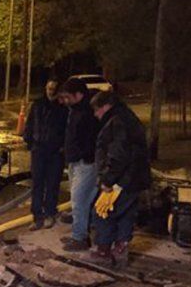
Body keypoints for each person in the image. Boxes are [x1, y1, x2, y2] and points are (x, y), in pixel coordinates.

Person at [90, 91, 151, 268]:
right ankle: (121, 249)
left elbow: (118, 155)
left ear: (106, 106)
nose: (95, 115)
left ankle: (103, 252)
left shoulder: (117, 123)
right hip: (135, 178)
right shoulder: (129, 118)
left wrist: (107, 179)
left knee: (102, 211)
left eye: (96, 110)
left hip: (122, 180)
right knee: (126, 213)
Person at [60, 77, 101, 252]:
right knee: (80, 200)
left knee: (79, 201)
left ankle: (80, 238)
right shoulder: (75, 110)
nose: (65, 101)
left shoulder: (88, 113)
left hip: (86, 163)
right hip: (76, 161)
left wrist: (84, 155)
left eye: (68, 97)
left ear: (79, 95)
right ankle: (82, 231)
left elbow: (91, 140)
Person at [23, 80, 68, 230]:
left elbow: (67, 129)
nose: (51, 91)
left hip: (55, 152)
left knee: (52, 184)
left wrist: (62, 147)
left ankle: (49, 213)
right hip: (39, 150)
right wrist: (29, 142)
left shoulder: (63, 108)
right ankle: (37, 216)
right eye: (49, 88)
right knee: (37, 184)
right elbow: (30, 124)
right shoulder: (38, 105)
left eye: (53, 89)